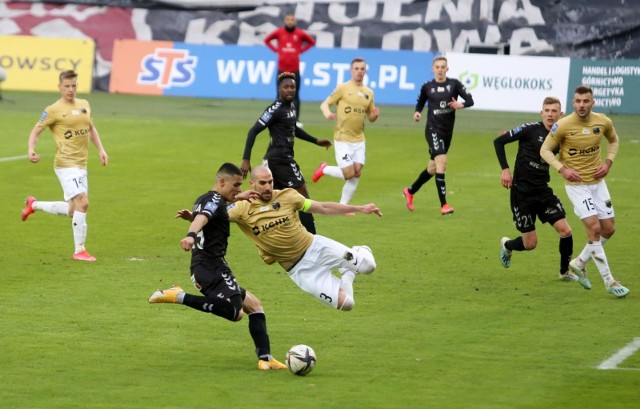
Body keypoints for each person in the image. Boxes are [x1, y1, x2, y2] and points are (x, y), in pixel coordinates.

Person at [149, 163, 287, 370]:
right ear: (222, 181)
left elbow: (208, 214)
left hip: (206, 267)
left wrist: (195, 217)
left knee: (253, 307)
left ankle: (266, 359)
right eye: (236, 185)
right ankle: (178, 296)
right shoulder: (214, 201)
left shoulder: (205, 199)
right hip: (211, 267)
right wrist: (190, 234)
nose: (239, 189)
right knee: (234, 312)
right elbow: (205, 217)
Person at [230, 166, 381, 311]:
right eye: (262, 183)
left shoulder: (287, 196)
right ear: (252, 184)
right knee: (347, 304)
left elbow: (323, 208)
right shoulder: (241, 208)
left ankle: (360, 250)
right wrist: (236, 197)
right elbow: (211, 211)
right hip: (301, 270)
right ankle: (347, 272)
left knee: (369, 266)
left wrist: (359, 208)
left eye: (270, 181)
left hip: (316, 247)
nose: (268, 187)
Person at [540, 85, 629, 298]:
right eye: (578, 101)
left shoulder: (603, 122)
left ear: (592, 102)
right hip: (577, 186)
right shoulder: (562, 125)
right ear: (573, 103)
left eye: (585, 101)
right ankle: (609, 281)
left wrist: (608, 162)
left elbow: (614, 140)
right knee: (594, 228)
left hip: (598, 183)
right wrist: (563, 169)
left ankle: (579, 262)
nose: (581, 105)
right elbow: (544, 150)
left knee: (609, 229)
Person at [494, 97, 585, 286]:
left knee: (566, 231)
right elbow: (499, 141)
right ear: (541, 112)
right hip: (522, 193)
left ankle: (564, 271)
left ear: (561, 114)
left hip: (543, 192)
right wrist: (505, 169)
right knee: (530, 244)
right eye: (547, 110)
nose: (550, 114)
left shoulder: (562, 136)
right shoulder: (529, 129)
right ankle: (507, 245)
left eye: (554, 111)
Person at [22, 70, 108, 261]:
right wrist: (31, 149)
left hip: (81, 163)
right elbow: (35, 131)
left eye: (74, 85)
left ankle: (33, 204)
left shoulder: (84, 104)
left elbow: (90, 128)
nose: (71, 89)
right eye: (67, 86)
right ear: (59, 87)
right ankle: (79, 250)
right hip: (65, 163)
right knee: (83, 203)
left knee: (73, 210)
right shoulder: (53, 110)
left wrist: (101, 150)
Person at [241, 72, 332, 234]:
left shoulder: (291, 107)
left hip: (281, 160)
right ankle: (313, 239)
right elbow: (252, 131)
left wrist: (315, 141)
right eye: (286, 87)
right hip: (279, 160)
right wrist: (246, 159)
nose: (290, 90)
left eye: (293, 87)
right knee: (303, 198)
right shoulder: (274, 109)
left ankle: (264, 230)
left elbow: (294, 129)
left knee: (273, 201)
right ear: (279, 89)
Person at [402, 56, 474, 215]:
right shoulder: (427, 87)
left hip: (447, 132)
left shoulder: (454, 84)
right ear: (432, 69)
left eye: (443, 67)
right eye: (437, 67)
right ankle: (444, 205)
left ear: (447, 69)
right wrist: (417, 113)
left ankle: (410, 191)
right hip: (433, 130)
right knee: (442, 164)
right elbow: (420, 103)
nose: (440, 69)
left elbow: (470, 100)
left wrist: (460, 104)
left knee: (432, 168)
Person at [313, 57, 380, 208]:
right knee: (349, 173)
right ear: (351, 71)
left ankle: (343, 205)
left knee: (357, 172)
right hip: (342, 138)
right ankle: (324, 169)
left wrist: (374, 115)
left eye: (362, 69)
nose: (359, 72)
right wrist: (327, 114)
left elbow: (370, 117)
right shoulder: (342, 88)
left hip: (359, 139)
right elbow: (324, 104)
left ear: (365, 71)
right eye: (356, 69)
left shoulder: (369, 93)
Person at [264, 12, 315, 127]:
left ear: (295, 21)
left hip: (294, 70)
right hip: (281, 68)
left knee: (295, 95)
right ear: (285, 21)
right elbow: (267, 40)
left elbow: (311, 42)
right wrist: (276, 50)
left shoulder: (300, 34)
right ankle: (277, 118)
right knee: (279, 94)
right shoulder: (279, 32)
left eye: (292, 20)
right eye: (288, 19)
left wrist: (300, 51)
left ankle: (295, 120)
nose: (290, 22)